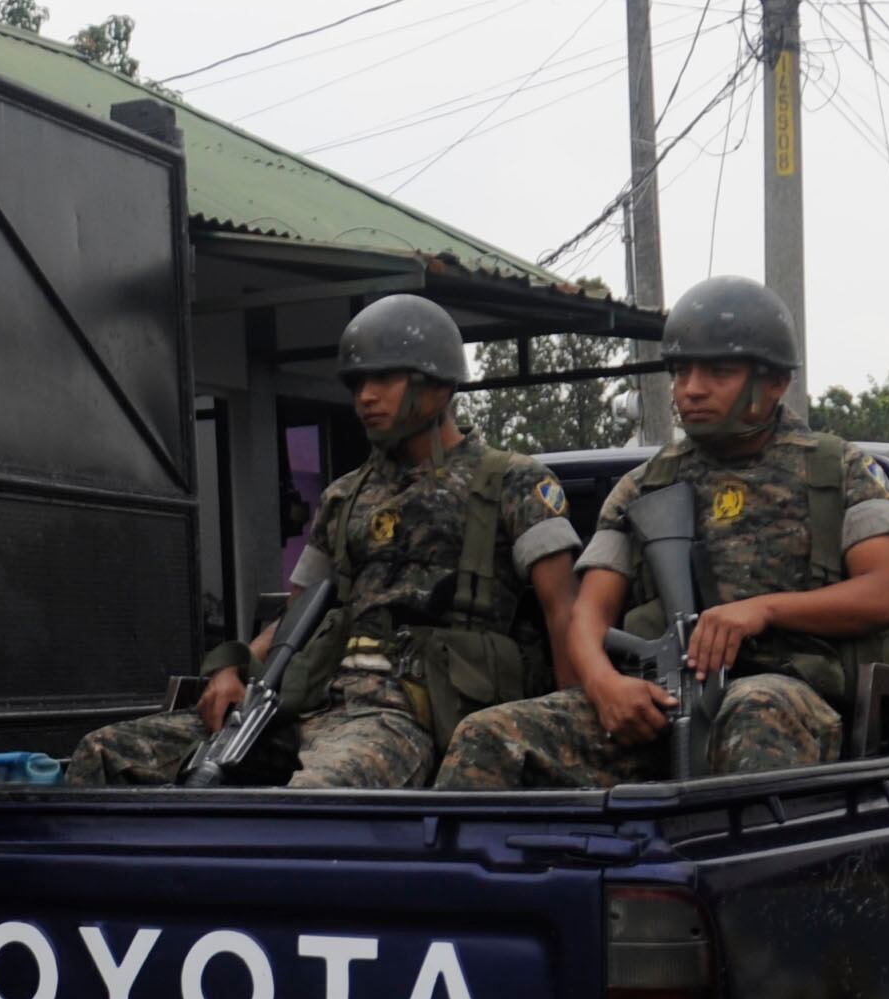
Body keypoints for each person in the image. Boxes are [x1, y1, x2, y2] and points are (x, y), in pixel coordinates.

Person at [66, 293, 582, 788]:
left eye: (383, 377)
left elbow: (565, 616)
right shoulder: (346, 495)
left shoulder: (513, 482)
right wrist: (235, 665)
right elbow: (296, 618)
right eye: (357, 382)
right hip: (307, 705)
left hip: (407, 715)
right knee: (104, 755)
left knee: (312, 803)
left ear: (439, 387)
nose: (364, 397)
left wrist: (563, 734)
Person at [435, 275, 889, 788]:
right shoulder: (645, 484)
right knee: (489, 735)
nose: (691, 389)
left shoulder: (838, 470)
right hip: (659, 700)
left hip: (789, 696)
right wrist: (604, 685)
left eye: (718, 372)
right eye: (681, 371)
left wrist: (762, 609)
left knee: (755, 707)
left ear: (775, 382)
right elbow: (588, 614)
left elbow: (886, 594)